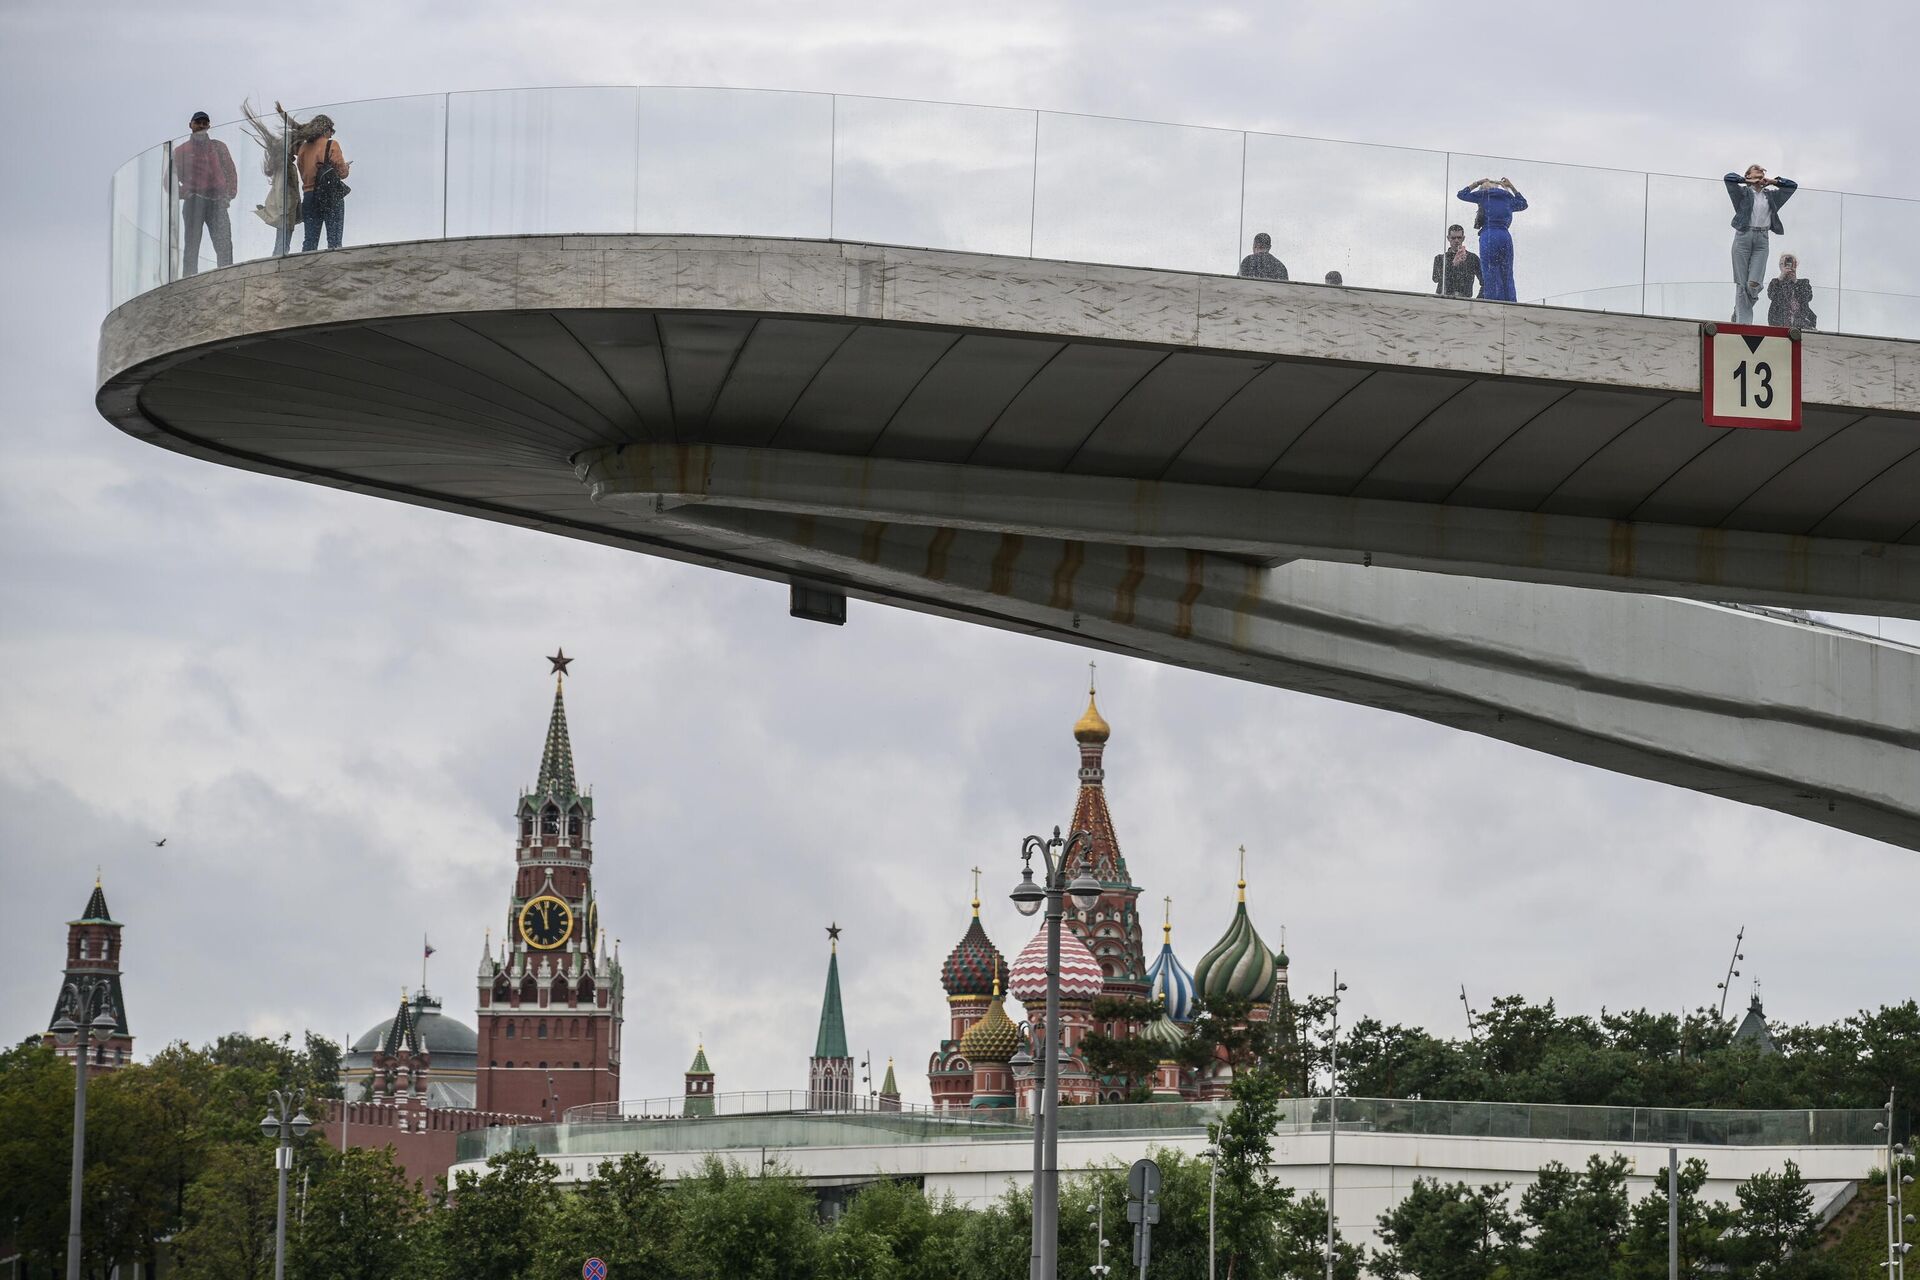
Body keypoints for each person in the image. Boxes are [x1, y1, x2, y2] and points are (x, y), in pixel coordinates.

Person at [1724, 164, 1797, 324]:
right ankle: (1744, 324)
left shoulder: (1771, 196)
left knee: (1754, 284)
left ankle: (1738, 311)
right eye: (1756, 174)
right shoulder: (1742, 193)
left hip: (1762, 240)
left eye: (1762, 175)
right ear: (1748, 176)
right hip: (1743, 237)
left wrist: (1773, 181)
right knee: (1741, 284)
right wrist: (1747, 181)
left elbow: (1792, 186)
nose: (1759, 178)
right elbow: (1728, 178)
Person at [170, 111, 237, 277]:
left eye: (204, 123)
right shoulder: (181, 151)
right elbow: (168, 180)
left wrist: (229, 194)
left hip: (217, 201)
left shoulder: (218, 147)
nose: (201, 125)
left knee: (224, 245)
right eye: (198, 122)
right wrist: (185, 193)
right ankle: (189, 280)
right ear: (190, 125)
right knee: (192, 246)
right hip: (194, 202)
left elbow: (230, 171)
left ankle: (227, 279)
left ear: (209, 126)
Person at [242, 100, 303, 258]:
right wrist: (284, 210)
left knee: (283, 241)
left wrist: (283, 114)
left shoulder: (286, 163)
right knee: (282, 243)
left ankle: (278, 259)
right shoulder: (284, 165)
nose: (301, 149)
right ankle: (278, 262)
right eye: (298, 146)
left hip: (287, 208)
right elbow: (282, 188)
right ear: (291, 146)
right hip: (285, 208)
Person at [1456, 178, 1528, 302]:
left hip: (1489, 236)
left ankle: (1493, 302)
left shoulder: (1484, 195)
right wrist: (1511, 187)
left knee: (1490, 271)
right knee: (1507, 272)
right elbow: (1523, 204)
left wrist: (1477, 183)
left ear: (1484, 187)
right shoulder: (1507, 197)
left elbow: (1461, 194)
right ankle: (1511, 302)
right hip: (1505, 236)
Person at [295, 115, 351, 252]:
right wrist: (346, 168)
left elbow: (302, 171)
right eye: (331, 130)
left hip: (309, 196)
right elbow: (342, 173)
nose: (331, 134)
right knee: (334, 241)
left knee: (310, 241)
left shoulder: (303, 148)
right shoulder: (331, 144)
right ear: (325, 129)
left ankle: (306, 264)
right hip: (330, 195)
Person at [1766, 253, 1818, 330]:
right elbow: (1771, 295)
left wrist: (1795, 281)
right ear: (1780, 266)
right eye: (1784, 263)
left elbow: (1808, 297)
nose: (1788, 266)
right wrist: (1781, 277)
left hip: (1803, 324)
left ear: (1795, 265)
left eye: (1791, 263)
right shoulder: (1775, 282)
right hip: (1779, 323)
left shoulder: (1804, 283)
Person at [1433, 224, 1481, 297]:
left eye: (1459, 238)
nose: (1456, 240)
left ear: (1463, 238)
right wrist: (1453, 265)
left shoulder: (1472, 258)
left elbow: (1485, 282)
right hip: (1443, 299)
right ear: (1448, 238)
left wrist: (1479, 299)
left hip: (1464, 299)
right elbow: (1435, 278)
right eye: (1453, 238)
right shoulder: (1439, 259)